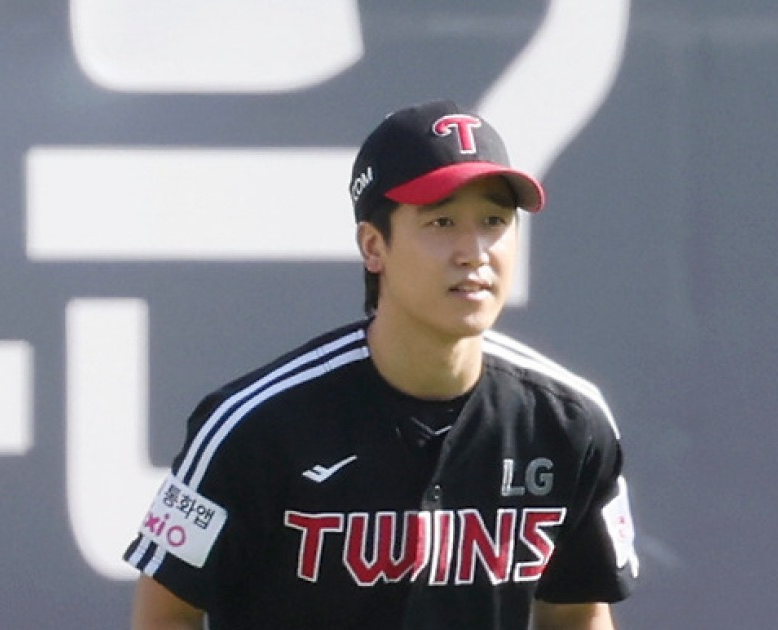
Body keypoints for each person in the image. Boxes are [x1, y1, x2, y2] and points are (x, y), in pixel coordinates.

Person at [124, 100, 639, 629]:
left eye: (494, 221)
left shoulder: (568, 422)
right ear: (373, 246)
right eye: (441, 221)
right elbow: (167, 614)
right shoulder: (252, 428)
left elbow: (577, 612)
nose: (474, 251)